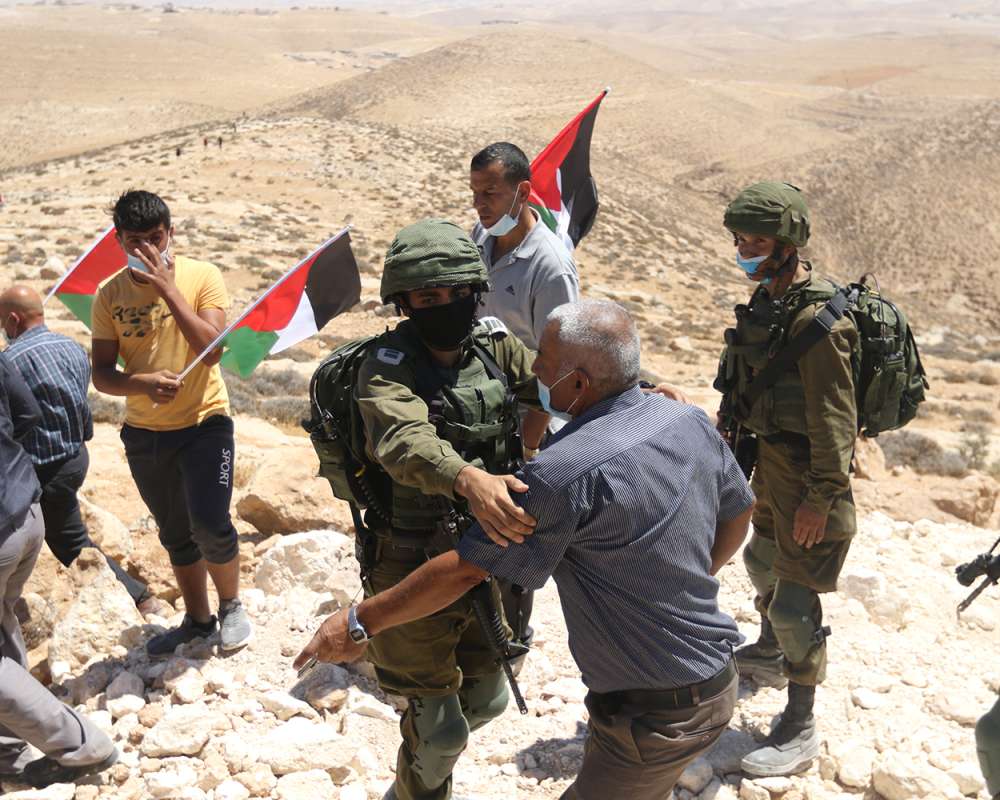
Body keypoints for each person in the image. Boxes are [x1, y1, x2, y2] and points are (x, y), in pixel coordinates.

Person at [297, 299, 755, 800]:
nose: (532, 367)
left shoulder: (566, 473)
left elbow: (464, 571)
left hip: (658, 714)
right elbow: (740, 509)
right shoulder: (683, 419)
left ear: (578, 383)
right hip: (710, 680)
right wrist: (689, 577)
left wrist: (360, 620)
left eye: (545, 360)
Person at [309, 219, 541, 800]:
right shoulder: (386, 365)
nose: (444, 306)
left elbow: (558, 386)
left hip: (489, 553)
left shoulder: (494, 349)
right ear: (405, 303)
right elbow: (402, 439)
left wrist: (633, 394)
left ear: (474, 291)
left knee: (485, 700)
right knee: (439, 732)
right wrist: (467, 478)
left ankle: (421, 772)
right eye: (427, 298)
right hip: (411, 557)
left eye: (455, 293)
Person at [714, 182, 859, 777]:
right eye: (740, 240)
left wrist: (821, 498)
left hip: (808, 476)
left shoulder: (815, 320)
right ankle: (773, 654)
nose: (745, 251)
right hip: (770, 464)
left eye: (757, 241)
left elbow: (836, 421)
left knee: (796, 606)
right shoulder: (771, 301)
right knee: (759, 561)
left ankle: (800, 726)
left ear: (788, 244)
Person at [90, 189, 252, 656]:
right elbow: (102, 374)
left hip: (205, 423)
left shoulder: (202, 276)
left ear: (171, 233)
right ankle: (198, 621)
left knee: (211, 524)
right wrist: (140, 384)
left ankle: (232, 606)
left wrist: (167, 288)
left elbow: (213, 350)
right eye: (135, 241)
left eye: (155, 238)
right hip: (145, 433)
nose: (147, 249)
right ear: (118, 240)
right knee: (175, 532)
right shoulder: (109, 295)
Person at [468, 141, 580, 650]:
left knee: (514, 537)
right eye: (475, 193)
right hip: (478, 413)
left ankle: (511, 640)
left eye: (490, 193)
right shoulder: (482, 239)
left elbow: (557, 371)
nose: (480, 205)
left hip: (525, 427)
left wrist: (529, 448)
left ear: (523, 192)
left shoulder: (549, 267)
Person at [0, 352, 118, 789]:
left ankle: (82, 746)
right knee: (3, 625)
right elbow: (27, 412)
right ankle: (10, 755)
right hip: (26, 510)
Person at [0, 285, 153, 611]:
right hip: (76, 455)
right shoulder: (72, 347)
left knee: (70, 542)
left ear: (13, 319)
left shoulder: (10, 360)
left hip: (45, 467)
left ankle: (137, 597)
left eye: (2, 322)